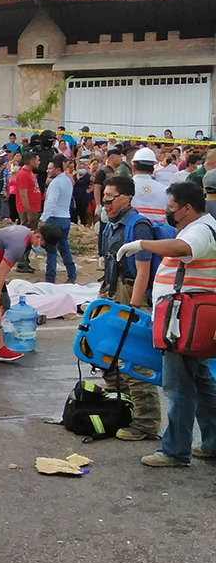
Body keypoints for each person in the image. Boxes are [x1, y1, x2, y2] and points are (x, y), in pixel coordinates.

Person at [115, 182, 216, 467]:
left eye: (170, 207)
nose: (166, 212)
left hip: (183, 321)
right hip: (186, 318)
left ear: (186, 208)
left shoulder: (200, 230)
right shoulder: (201, 226)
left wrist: (142, 244)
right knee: (202, 383)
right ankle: (212, 442)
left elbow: (183, 247)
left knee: (179, 388)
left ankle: (175, 451)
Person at [99, 175, 163, 441]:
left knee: (135, 360)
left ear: (127, 198)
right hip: (112, 291)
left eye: (110, 199)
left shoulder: (138, 227)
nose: (105, 204)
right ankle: (122, 410)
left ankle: (146, 424)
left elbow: (143, 272)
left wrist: (134, 310)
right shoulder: (111, 226)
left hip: (132, 295)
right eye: (104, 199)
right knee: (106, 353)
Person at [0, 222, 63, 363]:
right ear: (38, 236)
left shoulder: (24, 234)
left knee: (4, 303)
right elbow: (0, 274)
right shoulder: (18, 244)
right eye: (43, 245)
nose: (42, 250)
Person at [41, 155, 77, 284]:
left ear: (57, 169)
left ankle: (50, 278)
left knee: (51, 249)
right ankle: (72, 274)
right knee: (64, 247)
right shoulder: (67, 180)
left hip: (54, 217)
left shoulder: (55, 183)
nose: (48, 171)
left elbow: (51, 202)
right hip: (65, 217)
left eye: (50, 168)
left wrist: (43, 219)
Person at [13, 150, 42, 273]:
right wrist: (29, 213)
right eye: (37, 159)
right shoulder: (23, 174)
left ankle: (25, 260)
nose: (39, 162)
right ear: (31, 161)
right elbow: (23, 195)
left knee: (31, 236)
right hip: (27, 210)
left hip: (34, 208)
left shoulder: (30, 173)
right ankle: (21, 262)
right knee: (26, 236)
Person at [129, 148, 169, 224]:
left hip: (130, 232)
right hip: (158, 233)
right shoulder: (165, 190)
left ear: (133, 167)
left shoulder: (123, 188)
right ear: (153, 169)